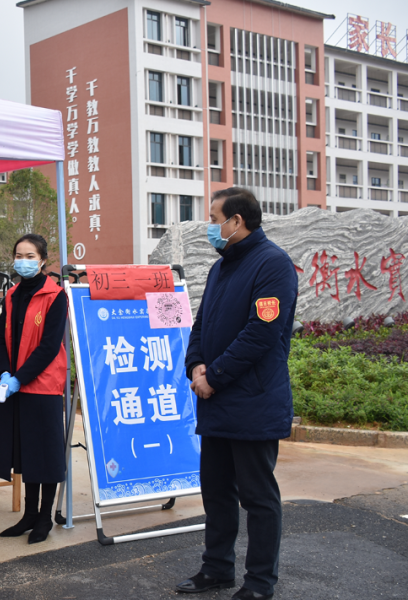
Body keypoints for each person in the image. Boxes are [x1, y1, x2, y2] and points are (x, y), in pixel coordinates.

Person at [175, 188, 297, 600]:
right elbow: (201, 324)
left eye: (214, 218)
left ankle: (260, 583)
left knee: (258, 497)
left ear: (237, 221)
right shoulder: (221, 267)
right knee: (216, 491)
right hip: (216, 401)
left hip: (252, 402)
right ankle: (217, 568)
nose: (210, 226)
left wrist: (216, 375)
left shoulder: (273, 264)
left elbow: (262, 333)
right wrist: (195, 364)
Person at [0, 233, 69, 545]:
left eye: (30, 256)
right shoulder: (11, 295)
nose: (22, 261)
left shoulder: (56, 296)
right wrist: (5, 372)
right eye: (18, 255)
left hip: (43, 386)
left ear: (42, 260)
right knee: (26, 453)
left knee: (45, 455)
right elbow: (0, 337)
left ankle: (44, 518)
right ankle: (29, 514)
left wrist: (20, 377)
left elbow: (49, 346)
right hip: (16, 386)